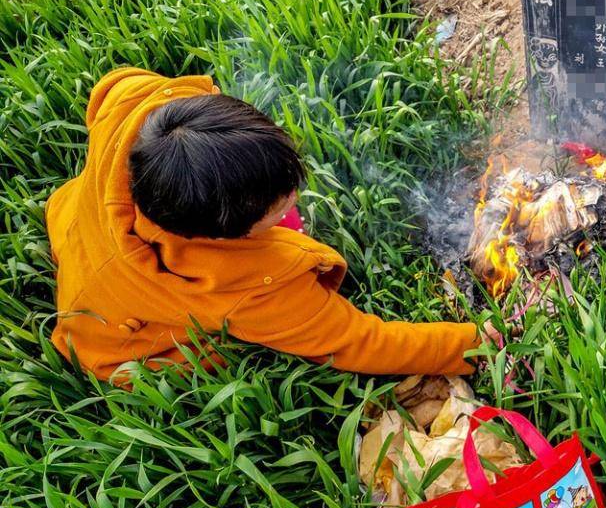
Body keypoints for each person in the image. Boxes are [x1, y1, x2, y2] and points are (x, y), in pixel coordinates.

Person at [46, 68, 495, 384]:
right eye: (277, 209)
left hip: (83, 231)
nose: (294, 199)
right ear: (221, 235)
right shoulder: (244, 289)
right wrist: (474, 343)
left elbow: (111, 86)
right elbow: (362, 342)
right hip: (118, 346)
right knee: (221, 349)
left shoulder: (141, 108)